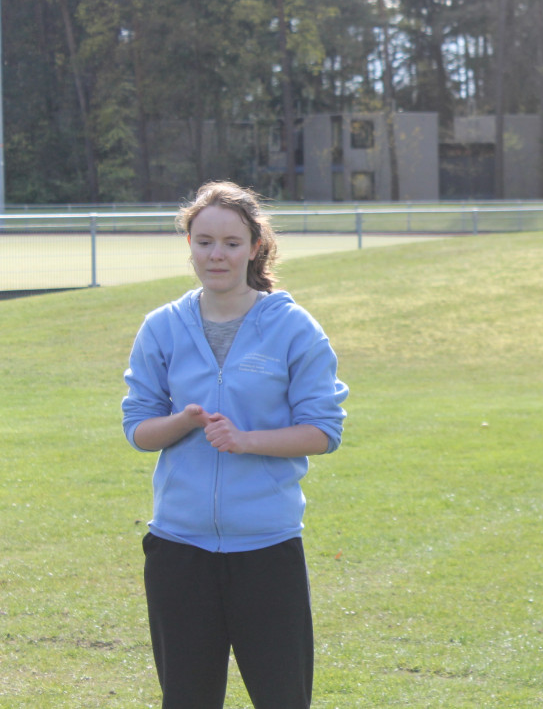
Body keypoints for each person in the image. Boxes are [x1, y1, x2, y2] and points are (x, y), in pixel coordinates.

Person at [122, 181, 348, 709]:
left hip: (266, 550)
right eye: (204, 242)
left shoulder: (293, 328)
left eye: (229, 242)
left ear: (254, 246)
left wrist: (246, 441)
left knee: (282, 698)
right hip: (178, 549)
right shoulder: (162, 327)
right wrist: (183, 420)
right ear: (190, 246)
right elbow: (137, 429)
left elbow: (323, 430)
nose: (216, 254)